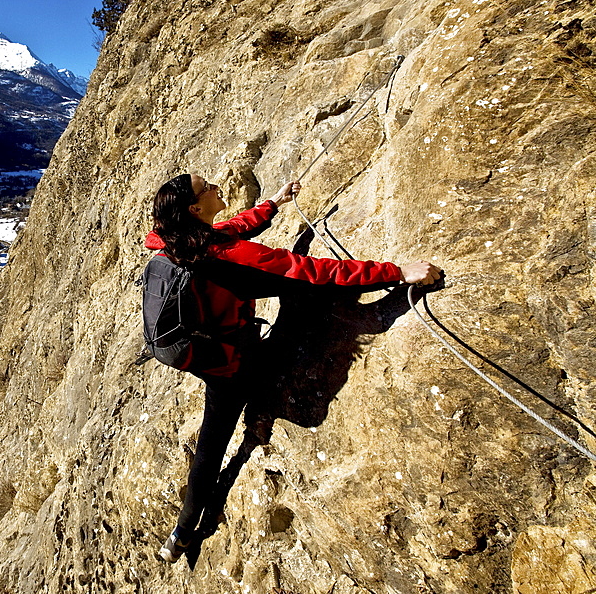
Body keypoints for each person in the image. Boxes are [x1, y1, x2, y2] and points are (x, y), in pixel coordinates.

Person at [145, 173, 441, 563]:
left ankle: (181, 533)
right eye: (207, 187)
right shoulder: (227, 257)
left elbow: (226, 233)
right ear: (195, 209)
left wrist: (272, 205)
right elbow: (308, 271)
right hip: (241, 361)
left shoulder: (174, 244)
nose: (217, 185)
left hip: (212, 358)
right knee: (225, 425)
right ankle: (189, 521)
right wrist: (396, 273)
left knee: (210, 447)